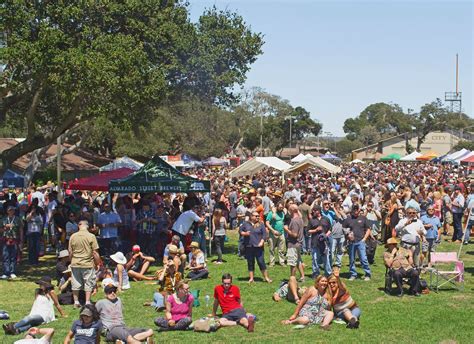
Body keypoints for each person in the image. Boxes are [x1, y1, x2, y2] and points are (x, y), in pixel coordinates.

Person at [68, 221, 100, 308]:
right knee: (88, 283)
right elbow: (95, 252)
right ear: (87, 226)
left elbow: (70, 252)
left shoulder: (73, 236)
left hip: (75, 263)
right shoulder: (91, 236)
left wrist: (71, 261)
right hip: (87, 263)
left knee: (75, 283)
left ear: (79, 226)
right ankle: (87, 301)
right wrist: (98, 263)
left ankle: (76, 302)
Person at [240, 211, 272, 284]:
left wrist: (262, 241)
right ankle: (251, 278)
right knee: (250, 262)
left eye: (258, 216)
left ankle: (266, 277)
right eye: (256, 216)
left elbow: (264, 234)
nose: (258, 217)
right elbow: (240, 231)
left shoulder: (261, 224)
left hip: (258, 247)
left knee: (261, 262)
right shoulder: (246, 224)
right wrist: (245, 233)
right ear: (251, 216)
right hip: (249, 246)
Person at [342, 205, 372, 281]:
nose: (355, 211)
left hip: (360, 241)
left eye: (357, 209)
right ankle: (353, 274)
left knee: (363, 258)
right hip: (351, 242)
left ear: (359, 210)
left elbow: (368, 229)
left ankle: (367, 274)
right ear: (352, 210)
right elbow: (343, 228)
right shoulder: (348, 219)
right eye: (354, 210)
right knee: (351, 259)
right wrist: (347, 234)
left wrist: (364, 239)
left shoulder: (363, 218)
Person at [308, 206, 332, 277]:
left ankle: (328, 273)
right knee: (315, 258)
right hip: (315, 242)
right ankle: (316, 273)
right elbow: (307, 231)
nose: (313, 212)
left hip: (324, 243)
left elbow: (330, 228)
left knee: (326, 258)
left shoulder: (326, 219)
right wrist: (315, 230)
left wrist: (326, 235)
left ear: (318, 211)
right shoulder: (312, 220)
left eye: (314, 211)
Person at [1, 205, 23, 279]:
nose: (11, 211)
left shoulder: (17, 219)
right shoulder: (3, 219)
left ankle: (12, 271)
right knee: (5, 256)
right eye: (10, 210)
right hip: (5, 239)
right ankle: (6, 272)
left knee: (13, 256)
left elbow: (21, 229)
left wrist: (21, 239)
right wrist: (5, 227)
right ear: (7, 211)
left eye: (13, 210)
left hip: (14, 239)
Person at [285, 204, 305, 281]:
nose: (288, 212)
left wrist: (286, 229)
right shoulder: (300, 219)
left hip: (293, 244)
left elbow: (294, 234)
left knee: (292, 263)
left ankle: (292, 279)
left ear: (292, 210)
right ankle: (302, 276)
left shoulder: (294, 221)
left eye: (289, 210)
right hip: (299, 244)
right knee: (298, 261)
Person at [265, 202, 286, 267]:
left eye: (282, 207)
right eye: (280, 207)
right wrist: (273, 230)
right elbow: (267, 223)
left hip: (281, 233)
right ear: (277, 207)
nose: (281, 208)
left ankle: (282, 262)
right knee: (272, 248)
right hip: (273, 233)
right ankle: (272, 262)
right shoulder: (271, 213)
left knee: (281, 249)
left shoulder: (282, 213)